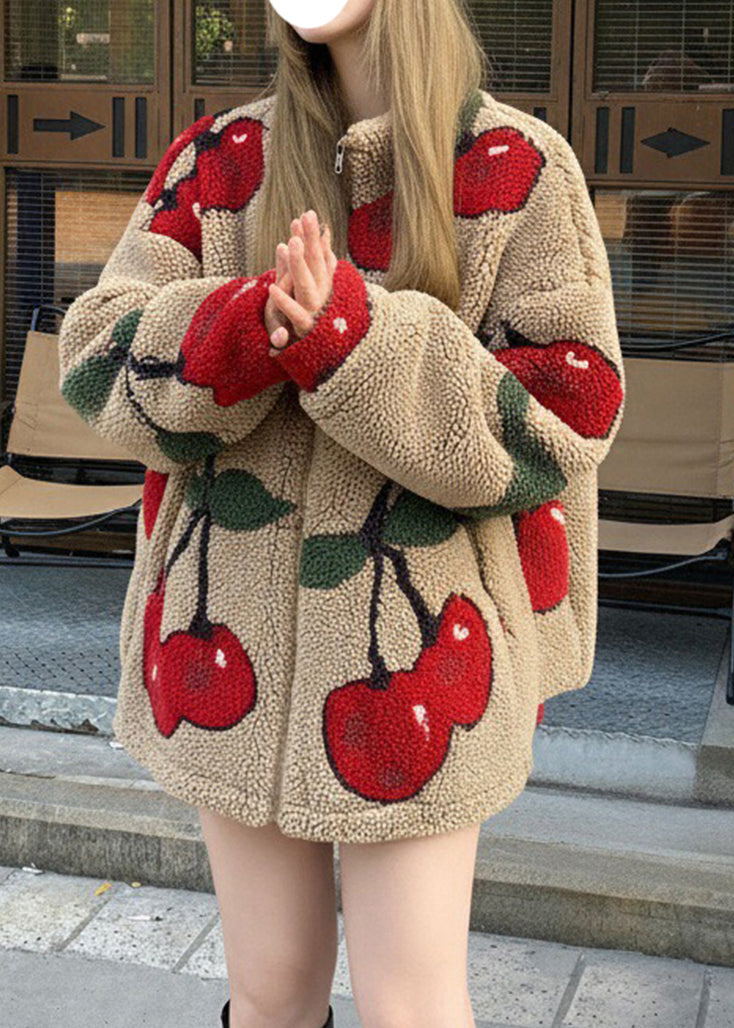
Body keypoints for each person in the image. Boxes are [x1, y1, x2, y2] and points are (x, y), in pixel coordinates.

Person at [56, 0, 626, 1024]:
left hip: (423, 657)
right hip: (219, 642)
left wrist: (354, 340)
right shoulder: (218, 160)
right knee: (267, 991)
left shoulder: (519, 169)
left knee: (411, 1003)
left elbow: (564, 416)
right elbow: (98, 356)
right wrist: (245, 326)